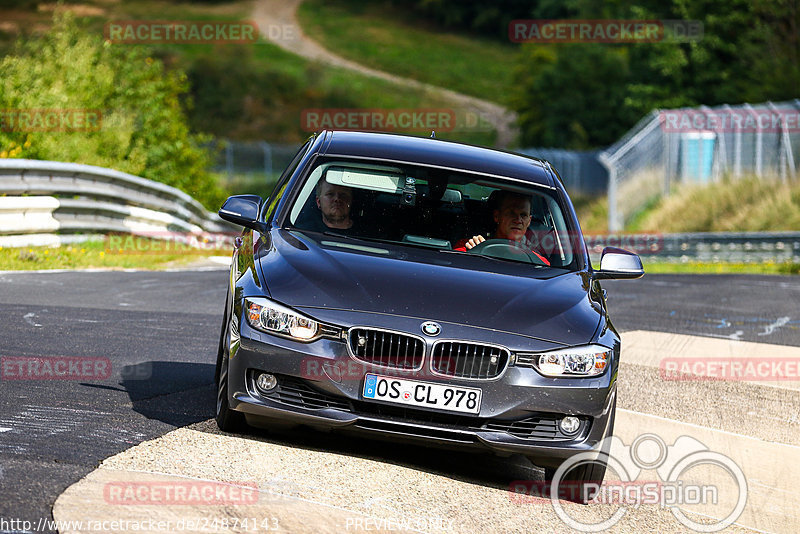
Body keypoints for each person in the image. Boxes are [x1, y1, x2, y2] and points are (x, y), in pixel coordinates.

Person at [454, 190, 550, 265]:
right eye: (511, 213)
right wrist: (472, 255)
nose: (518, 220)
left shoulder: (539, 262)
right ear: (497, 216)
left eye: (523, 215)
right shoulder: (469, 247)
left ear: (529, 221)